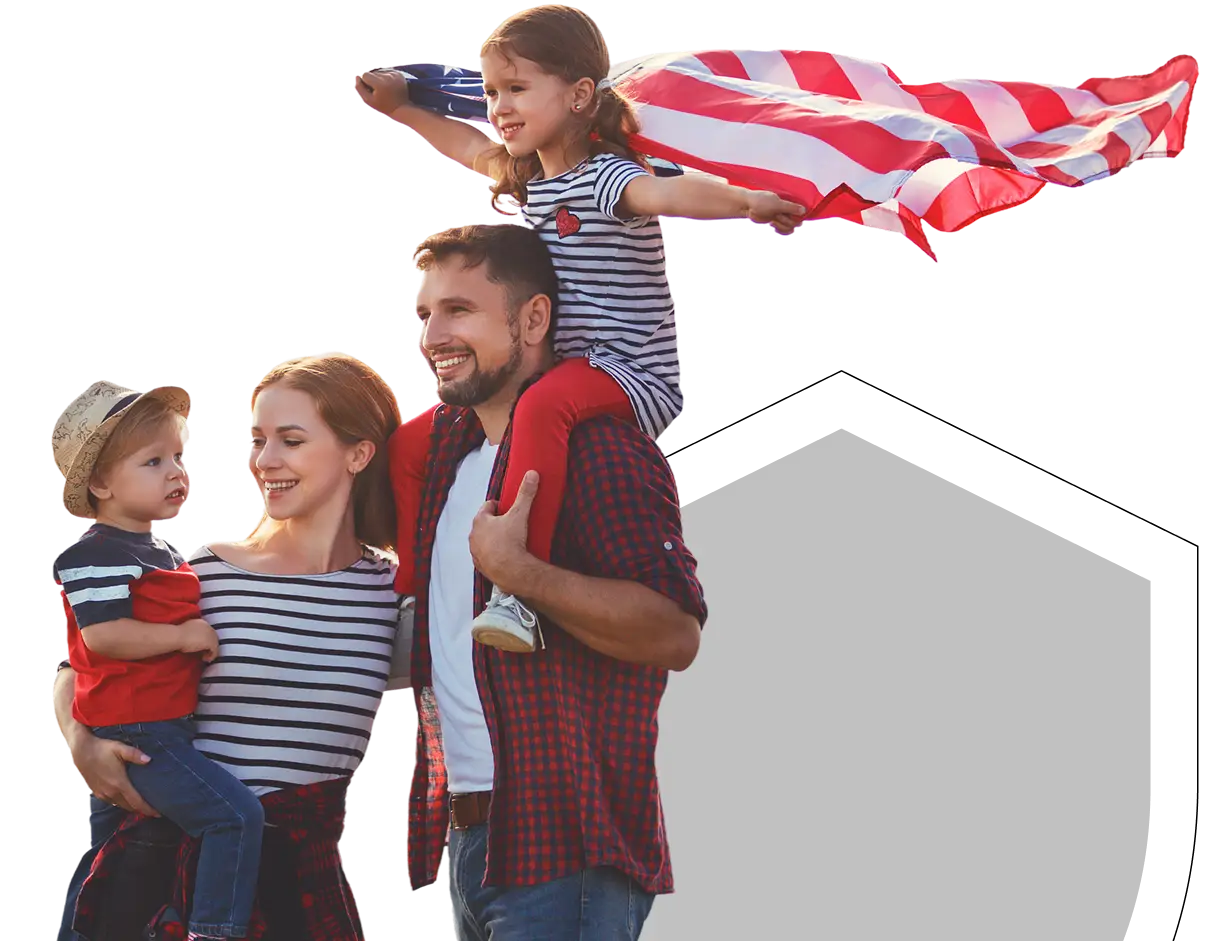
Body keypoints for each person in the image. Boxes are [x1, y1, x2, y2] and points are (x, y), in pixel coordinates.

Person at [356, 3, 794, 653]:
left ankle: (516, 591)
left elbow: (668, 196)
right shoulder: (521, 181)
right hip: (563, 363)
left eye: (517, 90)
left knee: (540, 410)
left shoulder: (604, 178)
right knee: (413, 444)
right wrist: (401, 109)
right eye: (492, 92)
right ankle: (416, 593)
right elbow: (464, 145)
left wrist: (745, 200)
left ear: (581, 95)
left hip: (626, 368)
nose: (498, 107)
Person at [389, 222, 707, 941]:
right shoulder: (449, 459)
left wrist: (521, 574)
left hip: (567, 853)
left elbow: (675, 631)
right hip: (471, 842)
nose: (433, 334)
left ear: (534, 318)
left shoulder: (602, 451)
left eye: (459, 310)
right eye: (424, 313)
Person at [54, 353, 410, 941]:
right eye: (258, 440)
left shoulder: (391, 593)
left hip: (301, 884)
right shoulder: (201, 575)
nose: (265, 462)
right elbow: (81, 661)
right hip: (167, 877)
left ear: (358, 453)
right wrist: (80, 739)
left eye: (291, 441)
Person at [51, 381, 266, 941]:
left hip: (164, 727)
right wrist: (183, 635)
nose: (177, 472)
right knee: (233, 816)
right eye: (153, 461)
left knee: (114, 854)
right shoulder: (97, 553)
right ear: (99, 483)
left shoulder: (159, 552)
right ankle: (215, 931)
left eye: (179, 457)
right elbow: (103, 637)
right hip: (140, 730)